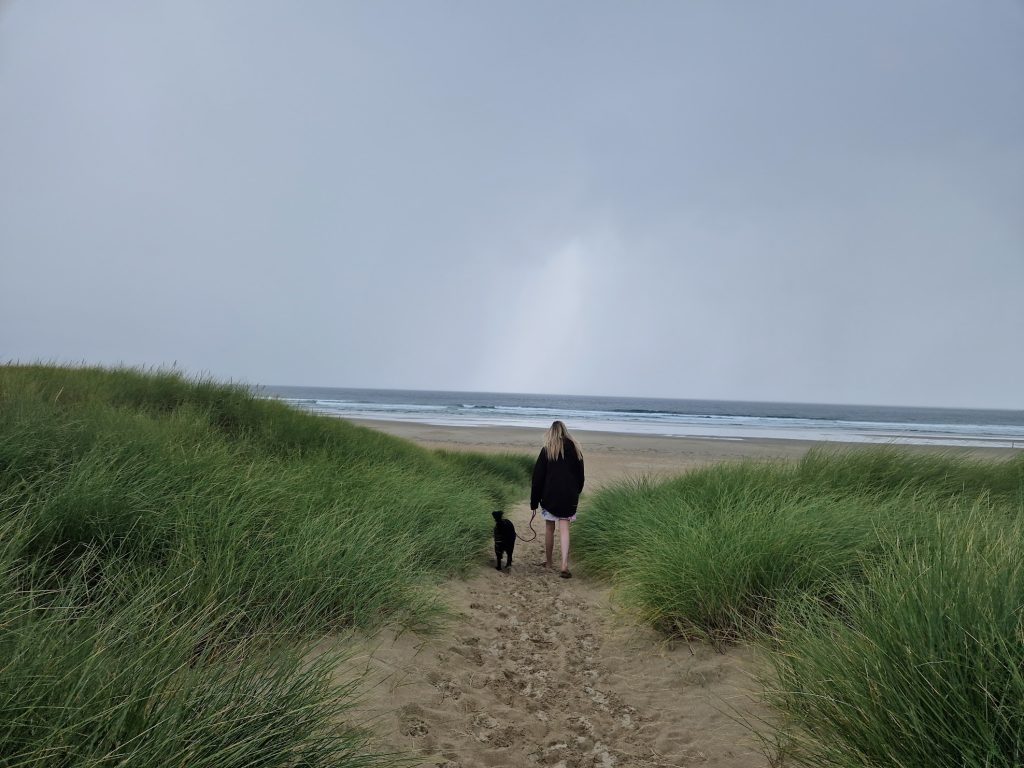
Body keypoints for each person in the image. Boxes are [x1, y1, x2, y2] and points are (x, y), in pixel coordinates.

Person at [530, 420, 585, 578]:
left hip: (550, 496)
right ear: (565, 431)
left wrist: (534, 502)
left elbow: (537, 478)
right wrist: (576, 491)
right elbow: (581, 476)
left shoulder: (547, 450)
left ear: (551, 432)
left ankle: (548, 563)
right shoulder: (576, 449)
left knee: (549, 528)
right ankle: (564, 565)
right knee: (565, 529)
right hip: (569, 496)